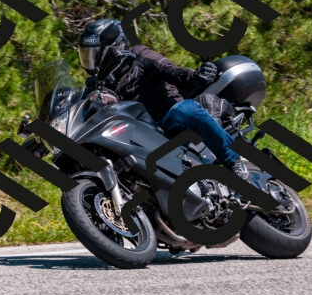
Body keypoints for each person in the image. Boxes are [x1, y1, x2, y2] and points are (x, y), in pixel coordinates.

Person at [77, 18, 250, 180]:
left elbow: (170, 71)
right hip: (136, 136)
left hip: (166, 120)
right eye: (87, 56)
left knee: (185, 110)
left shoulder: (138, 56)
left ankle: (233, 161)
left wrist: (196, 76)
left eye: (95, 55)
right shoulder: (98, 85)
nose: (92, 61)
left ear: (114, 47)